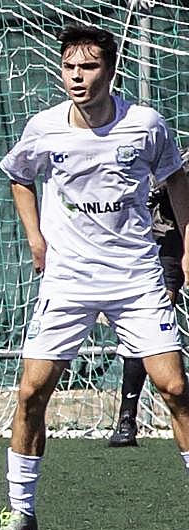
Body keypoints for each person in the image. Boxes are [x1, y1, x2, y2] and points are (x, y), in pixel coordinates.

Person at [0, 24, 189, 530]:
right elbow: (18, 174)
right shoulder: (45, 128)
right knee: (33, 390)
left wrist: (188, 247)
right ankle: (20, 512)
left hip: (135, 275)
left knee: (175, 388)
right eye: (70, 67)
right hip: (69, 278)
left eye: (89, 67)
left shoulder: (145, 125)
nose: (78, 77)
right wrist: (35, 236)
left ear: (110, 71)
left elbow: (176, 179)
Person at [107, 148, 189, 447]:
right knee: (150, 323)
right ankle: (127, 418)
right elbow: (166, 180)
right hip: (168, 244)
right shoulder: (180, 158)